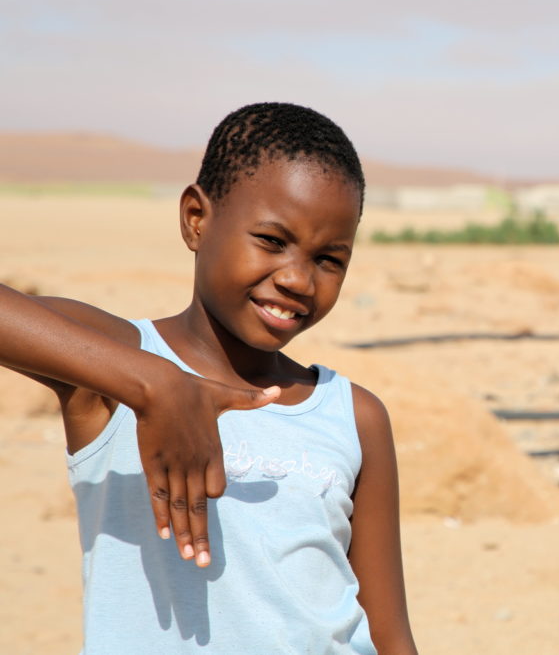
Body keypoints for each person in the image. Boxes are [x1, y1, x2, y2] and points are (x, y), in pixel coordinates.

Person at [0, 103, 417, 654]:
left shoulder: (353, 415)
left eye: (329, 259)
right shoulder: (114, 366)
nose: (297, 278)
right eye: (271, 240)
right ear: (196, 219)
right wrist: (158, 386)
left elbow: (388, 633)